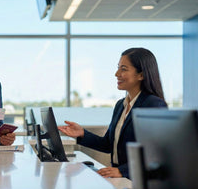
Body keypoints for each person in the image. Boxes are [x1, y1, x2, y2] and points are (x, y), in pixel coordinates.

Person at [58, 47, 167, 179]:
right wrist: (82, 134)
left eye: (124, 69)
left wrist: (122, 171)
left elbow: (156, 153)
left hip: (138, 181)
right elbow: (109, 144)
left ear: (141, 75)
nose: (117, 74)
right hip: (120, 178)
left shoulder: (153, 105)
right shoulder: (120, 105)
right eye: (118, 67)